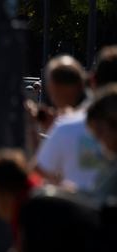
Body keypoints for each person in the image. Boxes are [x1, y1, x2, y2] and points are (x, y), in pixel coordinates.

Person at [34, 46, 117, 191]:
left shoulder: (69, 127)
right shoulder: (67, 125)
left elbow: (39, 174)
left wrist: (32, 132)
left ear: (92, 81)